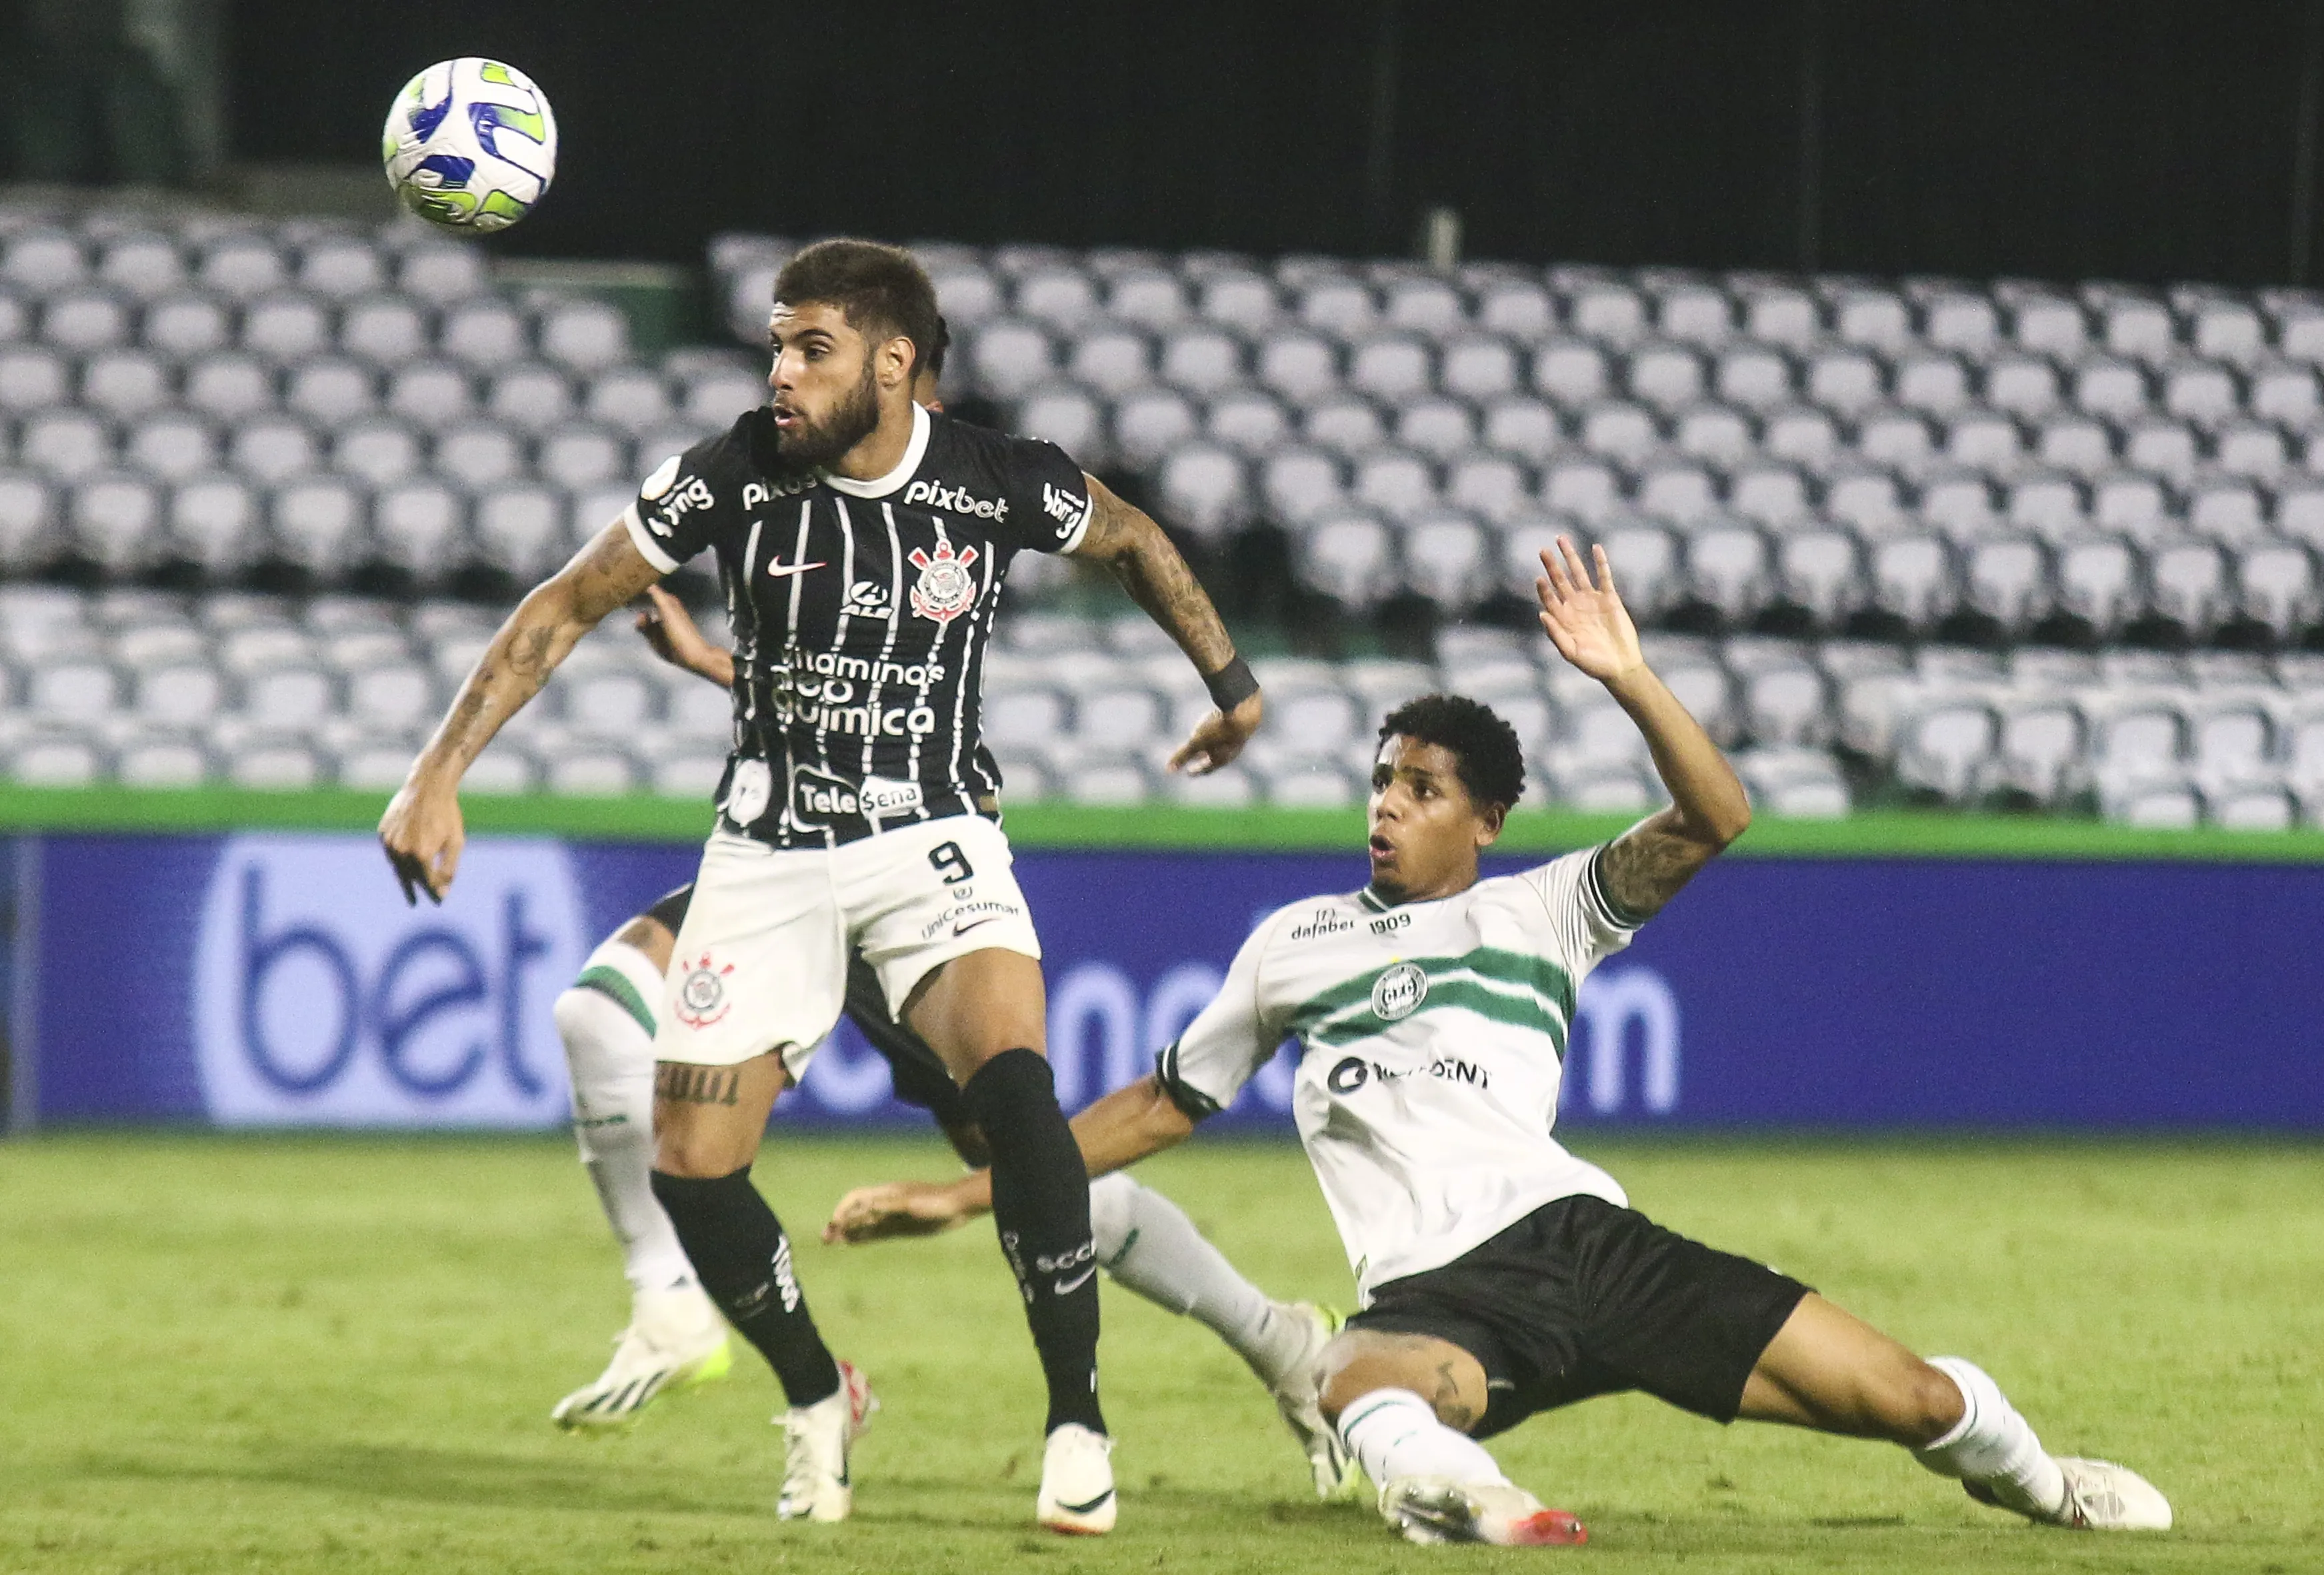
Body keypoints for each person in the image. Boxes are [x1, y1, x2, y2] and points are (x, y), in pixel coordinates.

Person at [825, 538, 2175, 1546]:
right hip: (1443, 1296)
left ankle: (2040, 1481)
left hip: (1590, 1246)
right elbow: (1159, 1105)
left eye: (1419, 789)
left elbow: (1717, 816)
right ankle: (1475, 1501)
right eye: (1380, 781)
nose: (1385, 806)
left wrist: (1627, 674)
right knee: (1352, 1373)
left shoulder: (1549, 909)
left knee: (1913, 1399)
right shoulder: (1294, 943)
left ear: (1483, 821)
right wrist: (965, 1192)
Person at [379, 239, 1264, 1534]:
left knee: (1013, 1088)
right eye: (775, 349)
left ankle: (1077, 1421)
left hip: (931, 837)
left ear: (892, 363)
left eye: (811, 350)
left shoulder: (995, 479)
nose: (781, 376)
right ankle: (815, 1395)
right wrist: (435, 773)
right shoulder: (733, 472)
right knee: (694, 1166)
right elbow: (566, 602)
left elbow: (1131, 539)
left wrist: (1231, 688)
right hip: (770, 852)